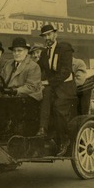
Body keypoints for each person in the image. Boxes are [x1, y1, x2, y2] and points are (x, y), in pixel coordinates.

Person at [36, 25, 77, 156]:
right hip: (52, 89)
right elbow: (38, 69)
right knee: (39, 99)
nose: (47, 38)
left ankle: (64, 140)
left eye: (49, 35)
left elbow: (66, 72)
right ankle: (43, 130)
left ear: (55, 34)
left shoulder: (64, 48)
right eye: (44, 36)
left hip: (66, 88)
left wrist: (48, 82)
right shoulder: (43, 52)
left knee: (59, 107)